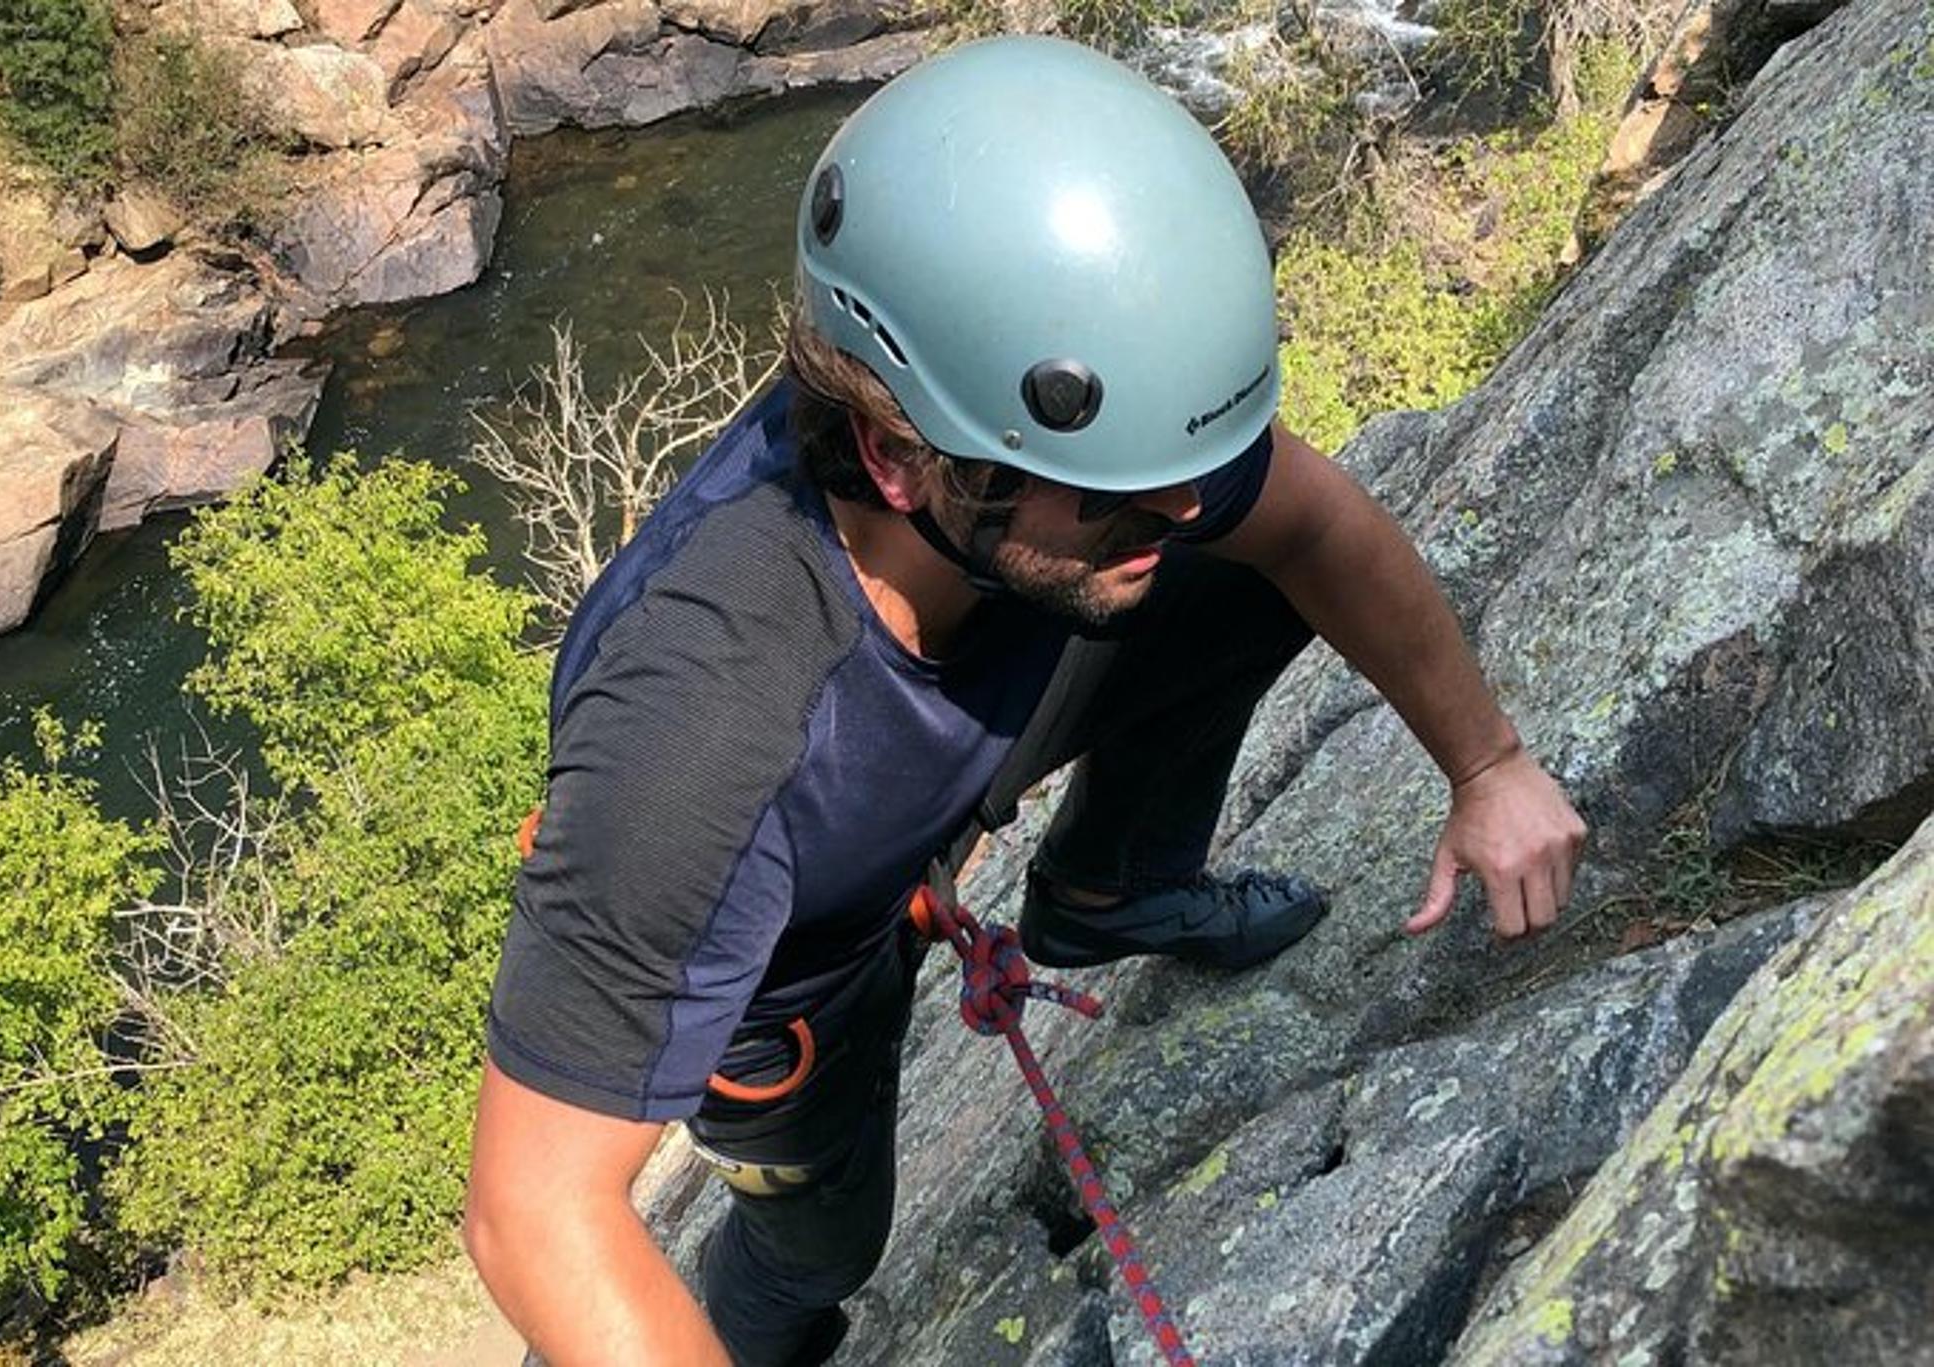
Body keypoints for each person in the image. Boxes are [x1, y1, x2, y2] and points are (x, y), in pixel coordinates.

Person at [462, 34, 1587, 1367]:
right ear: (894, 454)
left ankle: (1114, 887)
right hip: (796, 960)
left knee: (1246, 577)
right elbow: (535, 1210)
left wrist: (1490, 764)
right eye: (1118, 495)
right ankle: (763, 1321)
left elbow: (1312, 529)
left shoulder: (1035, 465)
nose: (1180, 510)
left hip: (950, 729)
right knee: (825, 1240)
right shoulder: (706, 732)